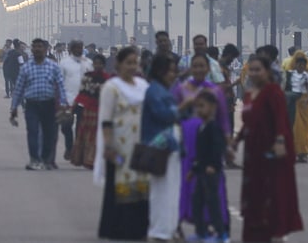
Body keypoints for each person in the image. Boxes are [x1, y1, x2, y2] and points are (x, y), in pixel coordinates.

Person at [233, 54, 303, 242]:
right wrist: (236, 141)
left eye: (258, 70)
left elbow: (281, 118)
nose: (254, 73)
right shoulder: (249, 93)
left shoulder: (273, 91)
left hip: (270, 151)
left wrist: (280, 141)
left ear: (267, 71)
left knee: (271, 192)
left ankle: (275, 232)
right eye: (251, 70)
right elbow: (248, 122)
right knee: (253, 192)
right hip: (252, 151)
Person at [173, 53, 231, 236]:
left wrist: (228, 144)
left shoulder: (215, 91)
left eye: (201, 66)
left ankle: (215, 223)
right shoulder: (181, 88)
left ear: (208, 69)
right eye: (195, 66)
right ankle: (182, 223)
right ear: (191, 68)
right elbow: (171, 112)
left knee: (213, 184)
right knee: (186, 183)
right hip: (187, 141)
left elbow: (223, 119)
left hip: (209, 140)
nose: (198, 69)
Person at [95, 46, 149, 240]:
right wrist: (108, 145)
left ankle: (139, 228)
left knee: (141, 186)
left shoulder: (143, 86)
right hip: (119, 144)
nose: (132, 66)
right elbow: (106, 119)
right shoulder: (112, 87)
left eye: (135, 62)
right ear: (118, 64)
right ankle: (117, 229)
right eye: (128, 63)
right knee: (118, 187)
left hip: (139, 144)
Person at [143, 53, 185, 242]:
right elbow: (164, 115)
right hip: (159, 147)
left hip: (168, 146)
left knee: (170, 189)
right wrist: (183, 107)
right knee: (162, 191)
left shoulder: (162, 90)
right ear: (160, 71)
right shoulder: (155, 91)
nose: (173, 75)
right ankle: (160, 229)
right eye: (170, 72)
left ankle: (167, 227)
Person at [10, 37, 69, 171]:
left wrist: (64, 105)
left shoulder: (53, 67)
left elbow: (60, 86)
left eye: (40, 47)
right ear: (32, 49)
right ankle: (34, 159)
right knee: (33, 131)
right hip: (32, 105)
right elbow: (19, 89)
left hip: (49, 104)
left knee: (49, 133)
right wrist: (14, 108)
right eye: (35, 47)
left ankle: (46, 159)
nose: (37, 49)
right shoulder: (26, 68)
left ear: (46, 49)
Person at [189, 90, 229, 242]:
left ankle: (220, 234)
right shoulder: (202, 127)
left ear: (213, 107)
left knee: (213, 203)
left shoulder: (213, 127)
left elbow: (217, 149)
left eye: (202, 106)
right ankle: (201, 232)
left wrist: (213, 165)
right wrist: (194, 169)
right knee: (197, 201)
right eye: (197, 106)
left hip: (211, 172)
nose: (199, 110)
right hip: (201, 172)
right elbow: (200, 154)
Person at [70, 53, 110, 169]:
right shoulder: (87, 76)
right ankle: (86, 159)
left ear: (104, 65)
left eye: (100, 64)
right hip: (88, 110)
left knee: (99, 136)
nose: (97, 66)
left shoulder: (108, 79)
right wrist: (74, 106)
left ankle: (95, 159)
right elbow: (82, 92)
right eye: (95, 63)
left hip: (102, 110)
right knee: (87, 135)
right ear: (93, 64)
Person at [59, 40, 92, 161]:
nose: (79, 50)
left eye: (80, 47)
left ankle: (77, 151)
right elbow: (60, 82)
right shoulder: (64, 63)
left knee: (81, 128)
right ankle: (69, 146)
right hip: (67, 100)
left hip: (84, 101)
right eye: (76, 48)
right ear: (71, 49)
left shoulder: (88, 63)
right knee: (65, 126)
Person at [286, 52, 308, 163]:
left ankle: (303, 151)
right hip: (293, 103)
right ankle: (294, 151)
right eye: (299, 64)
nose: (301, 67)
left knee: (305, 130)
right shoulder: (289, 74)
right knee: (295, 128)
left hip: (305, 104)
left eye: (303, 65)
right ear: (295, 64)